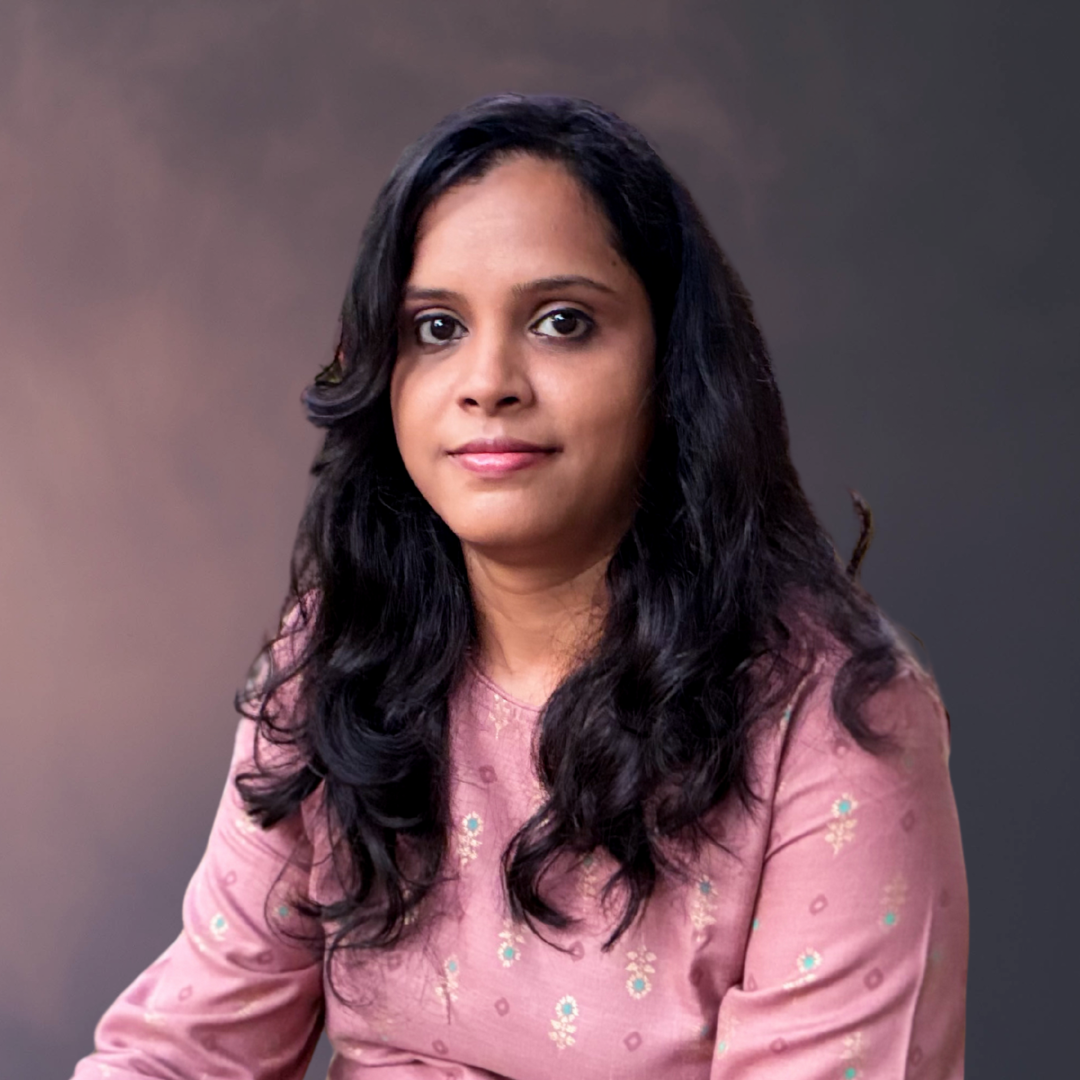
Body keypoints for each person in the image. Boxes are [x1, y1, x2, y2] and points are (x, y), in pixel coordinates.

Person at [71, 94, 967, 1079]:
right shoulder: (341, 654)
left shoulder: (834, 729)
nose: (487, 380)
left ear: (671, 365)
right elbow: (187, 1049)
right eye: (436, 328)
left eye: (561, 322)